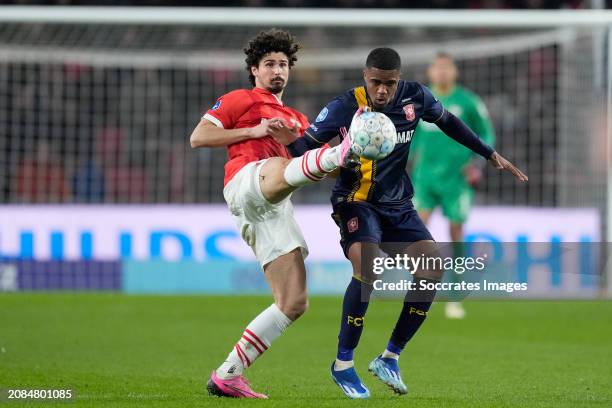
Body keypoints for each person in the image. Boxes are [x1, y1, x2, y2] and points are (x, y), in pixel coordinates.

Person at [285, 47, 527, 399]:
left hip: (397, 204)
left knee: (432, 267)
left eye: (389, 83)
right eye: (375, 83)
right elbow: (303, 146)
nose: (382, 90)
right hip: (356, 201)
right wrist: (281, 145)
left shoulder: (416, 96)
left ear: (399, 80)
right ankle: (343, 364)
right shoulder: (343, 106)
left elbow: (450, 123)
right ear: (364, 77)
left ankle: (390, 357)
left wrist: (488, 154)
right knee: (367, 267)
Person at [189, 28, 352, 399]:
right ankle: (341, 149)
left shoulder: (298, 119)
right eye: (269, 64)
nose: (277, 70)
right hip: (247, 183)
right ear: (254, 70)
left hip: (273, 205)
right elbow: (198, 138)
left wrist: (334, 163)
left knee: (293, 302)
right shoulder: (239, 99)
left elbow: (315, 169)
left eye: (282, 64)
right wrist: (254, 130)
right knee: (282, 166)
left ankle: (228, 373)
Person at [411, 53, 496, 319]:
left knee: (456, 231)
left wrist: (477, 164)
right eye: (438, 68)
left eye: (447, 67)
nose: (442, 72)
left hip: (456, 179)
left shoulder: (467, 101)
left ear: (455, 71)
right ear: (430, 72)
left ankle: (455, 293)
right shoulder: (419, 102)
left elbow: (487, 133)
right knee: (417, 231)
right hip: (425, 177)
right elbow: (409, 136)